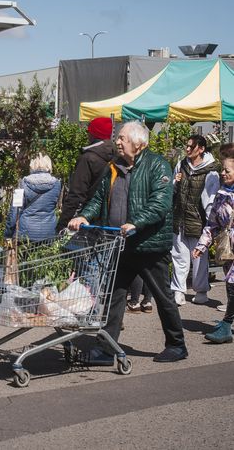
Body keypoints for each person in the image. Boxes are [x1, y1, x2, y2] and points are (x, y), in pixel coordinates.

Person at [69, 121, 188, 364]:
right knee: (114, 297)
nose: (118, 142)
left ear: (139, 143)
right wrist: (84, 216)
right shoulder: (114, 167)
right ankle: (106, 349)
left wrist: (136, 222)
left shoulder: (157, 165)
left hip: (149, 246)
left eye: (122, 138)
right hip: (120, 244)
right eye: (118, 138)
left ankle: (177, 345)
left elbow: (160, 203)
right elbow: (99, 199)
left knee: (163, 297)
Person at [171, 135, 219, 306]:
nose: (188, 149)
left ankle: (201, 291)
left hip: (198, 221)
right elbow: (173, 190)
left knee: (199, 259)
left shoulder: (211, 172)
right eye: (187, 146)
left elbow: (211, 200)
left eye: (192, 147)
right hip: (180, 218)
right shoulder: (181, 164)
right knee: (179, 256)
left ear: (201, 149)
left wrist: (211, 224)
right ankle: (178, 290)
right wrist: (174, 182)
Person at [192, 144, 234, 344]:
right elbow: (212, 224)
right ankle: (227, 323)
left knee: (233, 284)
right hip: (228, 249)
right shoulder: (222, 194)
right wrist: (201, 246)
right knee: (230, 284)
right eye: (222, 169)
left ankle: (226, 325)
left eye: (227, 170)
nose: (223, 173)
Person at [57, 117, 116, 232]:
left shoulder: (88, 158)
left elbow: (77, 194)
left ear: (93, 134)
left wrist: (63, 223)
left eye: (89, 132)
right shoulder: (117, 157)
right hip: (109, 220)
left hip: (86, 219)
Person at [5, 153, 61, 242]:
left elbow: (15, 210)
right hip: (48, 233)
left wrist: (8, 234)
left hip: (25, 233)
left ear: (32, 166)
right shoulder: (57, 184)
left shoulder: (23, 183)